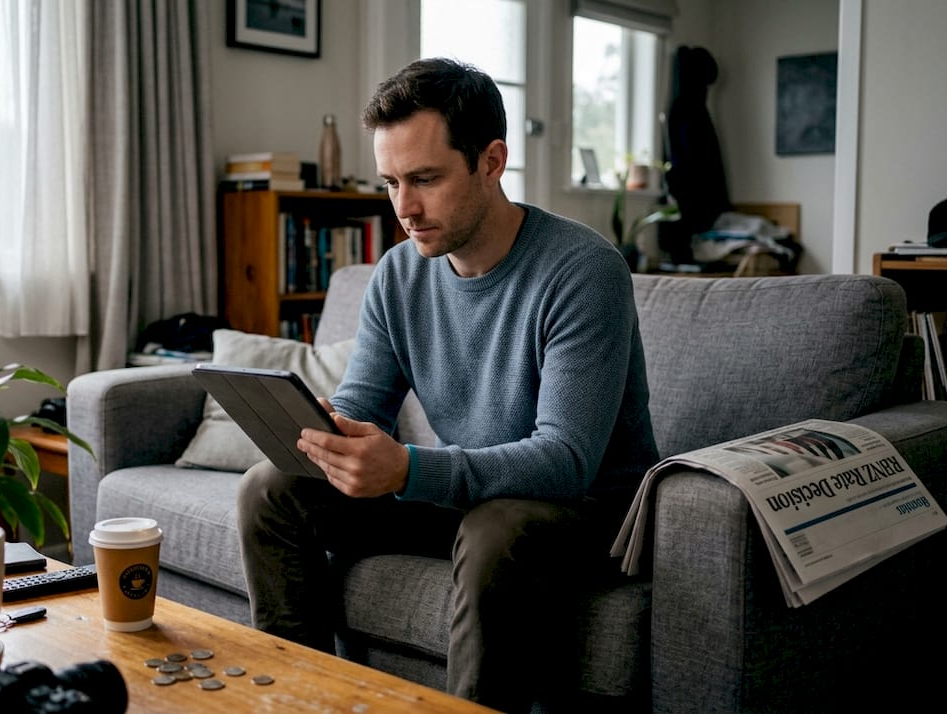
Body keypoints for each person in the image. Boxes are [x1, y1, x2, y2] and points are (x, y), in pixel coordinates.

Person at [237, 57, 658, 712]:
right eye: (391, 183)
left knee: (496, 529)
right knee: (270, 490)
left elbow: (566, 459)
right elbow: (363, 406)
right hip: (472, 499)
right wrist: (332, 433)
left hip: (582, 512)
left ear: (492, 161)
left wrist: (408, 469)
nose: (404, 208)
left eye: (425, 179)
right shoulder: (399, 274)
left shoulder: (582, 270)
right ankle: (302, 701)